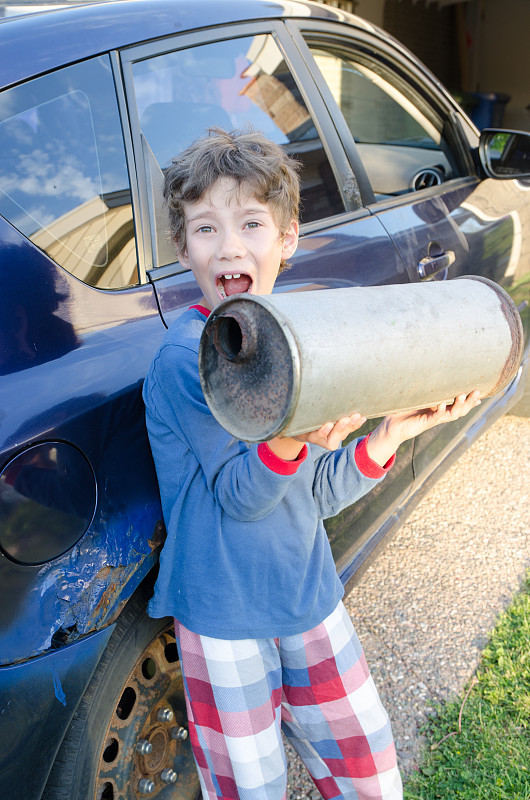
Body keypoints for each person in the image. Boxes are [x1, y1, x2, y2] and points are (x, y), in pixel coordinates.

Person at [142, 128, 480, 800]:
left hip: (309, 600)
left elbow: (313, 495)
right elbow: (242, 495)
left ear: (288, 239)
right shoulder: (186, 362)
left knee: (369, 772)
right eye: (206, 229)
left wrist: (387, 436)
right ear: (183, 249)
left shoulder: (295, 343)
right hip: (224, 619)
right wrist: (292, 441)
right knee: (250, 788)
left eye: (251, 224)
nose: (230, 245)